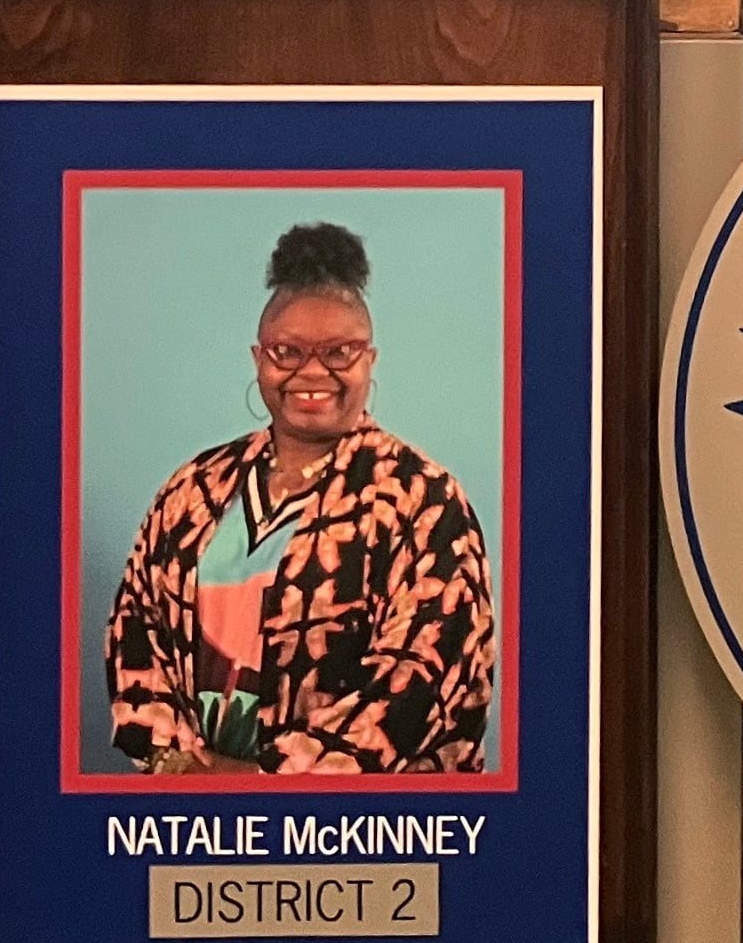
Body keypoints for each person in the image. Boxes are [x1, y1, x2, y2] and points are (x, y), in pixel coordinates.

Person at [105, 221, 495, 774]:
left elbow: (422, 680)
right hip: (194, 818)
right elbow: (136, 629)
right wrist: (177, 762)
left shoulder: (422, 500)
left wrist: (261, 779)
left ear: (370, 360)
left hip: (365, 835)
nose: (312, 372)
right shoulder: (194, 490)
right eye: (287, 351)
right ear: (259, 358)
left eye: (339, 351)